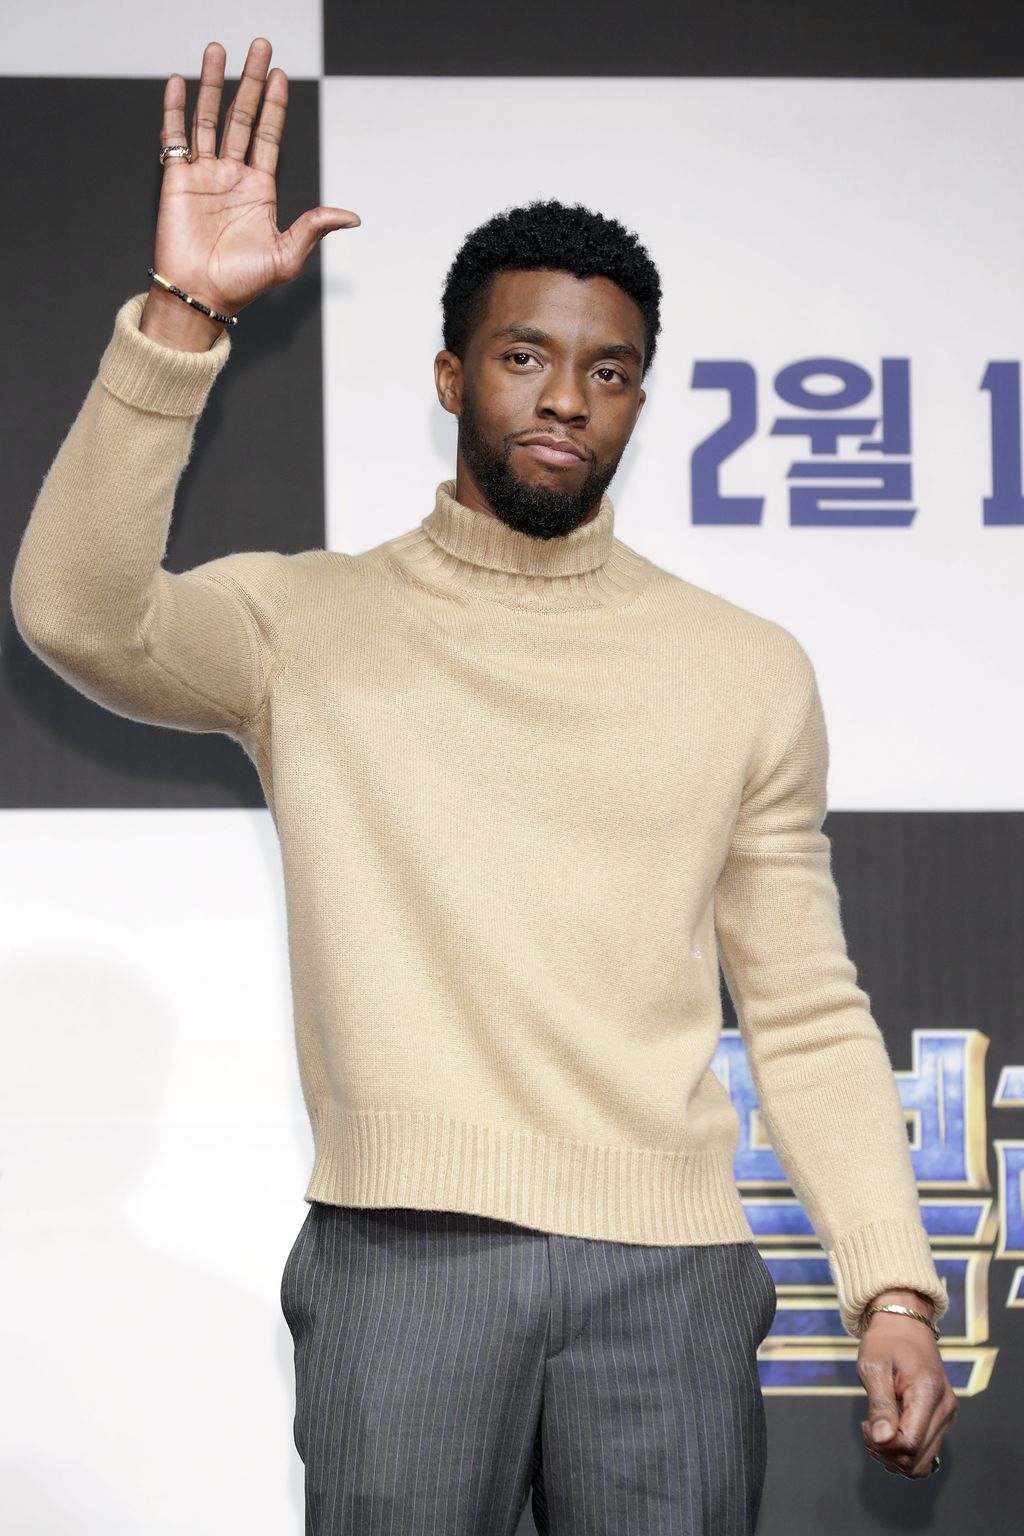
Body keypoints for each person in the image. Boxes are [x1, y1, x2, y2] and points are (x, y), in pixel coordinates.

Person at [10, 34, 957, 1536]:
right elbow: (74, 613)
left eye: (608, 371)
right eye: (524, 357)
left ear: (639, 402)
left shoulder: (745, 667)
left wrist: (891, 1284)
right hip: (403, 1263)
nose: (565, 398)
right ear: (452, 375)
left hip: (672, 1280)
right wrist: (184, 318)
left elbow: (803, 1009)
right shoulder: (300, 624)